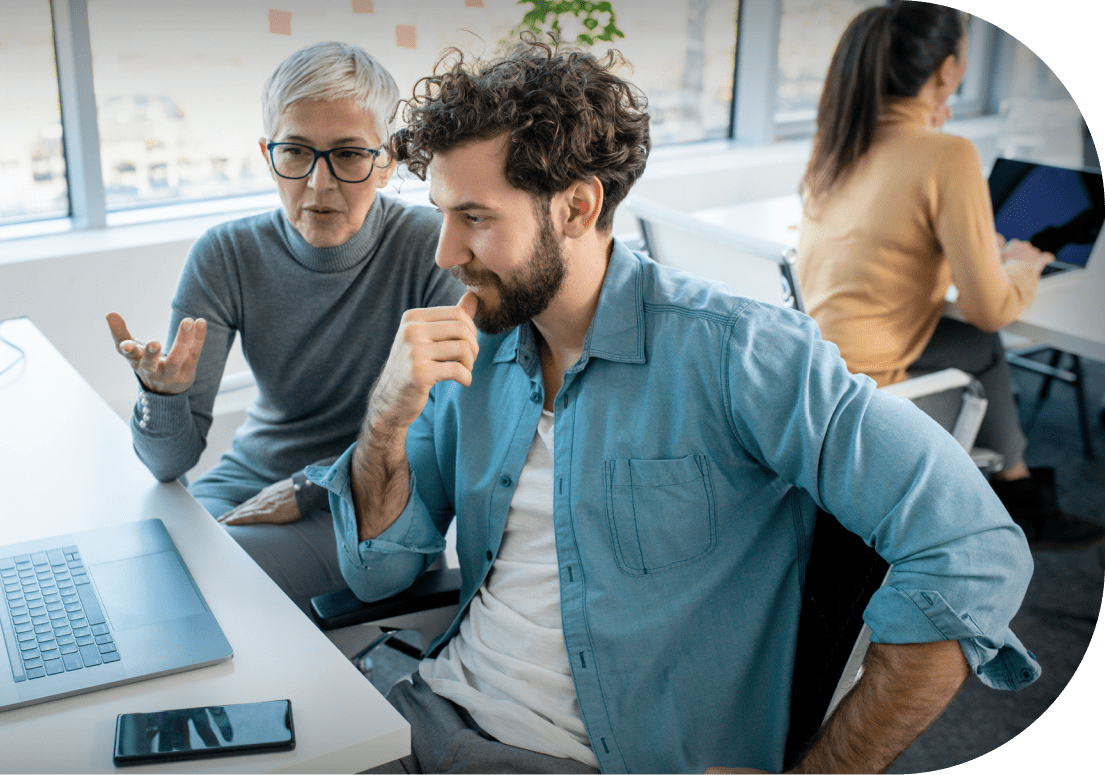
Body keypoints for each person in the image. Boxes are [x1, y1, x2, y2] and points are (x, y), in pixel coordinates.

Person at [304, 39, 1040, 774]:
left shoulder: (737, 353)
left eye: (475, 217)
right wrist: (387, 418)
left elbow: (972, 549)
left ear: (576, 206)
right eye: (442, 213)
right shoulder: (481, 342)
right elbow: (378, 576)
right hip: (419, 711)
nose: (443, 252)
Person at [106, 42, 463, 615]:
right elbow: (168, 462)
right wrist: (163, 397)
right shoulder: (226, 254)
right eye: (296, 152)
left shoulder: (432, 248)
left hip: (373, 498)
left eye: (348, 155)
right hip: (254, 471)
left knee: (191, 580)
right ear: (268, 153)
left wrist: (309, 487)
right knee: (137, 557)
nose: (319, 185)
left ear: (388, 159)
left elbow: (440, 441)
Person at [795, 1, 1102, 549]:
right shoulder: (946, 155)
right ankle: (1021, 494)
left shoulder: (835, 144)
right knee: (983, 333)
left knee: (972, 343)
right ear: (947, 71)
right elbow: (992, 307)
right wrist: (1021, 265)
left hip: (819, 369)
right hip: (875, 388)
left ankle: (1018, 484)